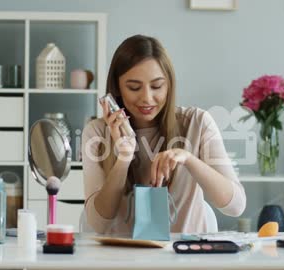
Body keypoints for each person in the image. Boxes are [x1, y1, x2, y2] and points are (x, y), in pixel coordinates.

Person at [81, 34, 246, 234]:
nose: (147, 98)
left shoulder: (197, 122)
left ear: (169, 85)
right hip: (123, 259)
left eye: (157, 86)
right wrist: (123, 159)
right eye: (134, 87)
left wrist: (188, 158)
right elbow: (98, 224)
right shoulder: (96, 132)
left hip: (186, 259)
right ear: (117, 88)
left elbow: (235, 206)